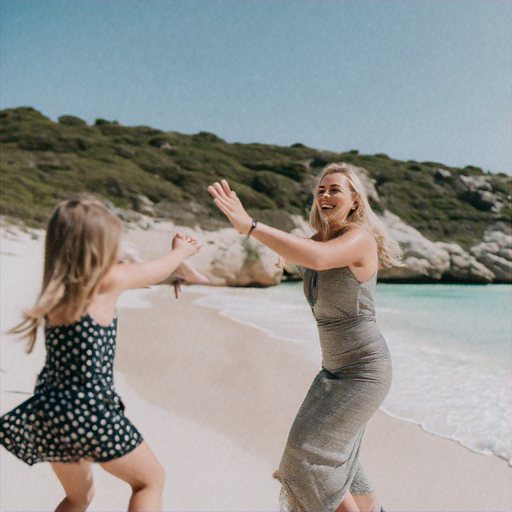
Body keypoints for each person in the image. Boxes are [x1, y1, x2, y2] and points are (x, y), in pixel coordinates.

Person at [208, 162, 402, 512]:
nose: (325, 195)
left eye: (335, 190)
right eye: (321, 190)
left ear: (355, 200)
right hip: (334, 370)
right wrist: (282, 257)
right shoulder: (317, 240)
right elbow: (306, 252)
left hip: (364, 371)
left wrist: (250, 226)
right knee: (342, 461)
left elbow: (318, 258)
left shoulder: (357, 238)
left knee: (305, 456)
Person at [0, 194, 203, 512]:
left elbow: (145, 278)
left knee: (78, 498)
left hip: (50, 413)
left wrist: (177, 272)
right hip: (92, 413)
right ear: (99, 247)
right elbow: (149, 271)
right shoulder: (109, 280)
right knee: (149, 481)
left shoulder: (59, 289)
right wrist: (181, 251)